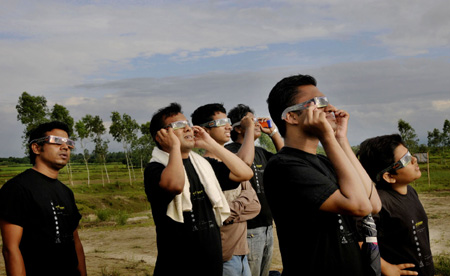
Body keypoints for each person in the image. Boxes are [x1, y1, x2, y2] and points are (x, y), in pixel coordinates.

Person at [264, 74, 381, 275]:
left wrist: (340, 139)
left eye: (327, 102)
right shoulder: (283, 166)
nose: (331, 109)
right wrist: (327, 137)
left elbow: (373, 204)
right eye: (318, 103)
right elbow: (360, 207)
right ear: (291, 116)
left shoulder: (325, 161)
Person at [144, 103, 253, 276]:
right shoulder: (155, 169)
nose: (188, 128)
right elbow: (175, 186)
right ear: (161, 135)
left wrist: (210, 144)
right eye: (179, 126)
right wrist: (174, 148)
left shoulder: (203, 165)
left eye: (187, 124)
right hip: (178, 267)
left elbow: (244, 173)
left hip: (212, 264)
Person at [0, 121, 87, 276]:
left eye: (69, 143)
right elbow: (10, 249)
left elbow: (76, 241)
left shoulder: (66, 192)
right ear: (36, 148)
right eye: (56, 141)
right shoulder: (17, 188)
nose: (65, 147)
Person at [191, 103, 261, 276]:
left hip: (241, 250)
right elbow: (220, 216)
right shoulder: (204, 167)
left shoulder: (230, 163)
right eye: (221, 122)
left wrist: (231, 212)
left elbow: (255, 206)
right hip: (224, 252)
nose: (229, 126)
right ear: (204, 130)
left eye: (228, 121)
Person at [358, 134, 435, 276]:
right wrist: (386, 268)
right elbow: (359, 242)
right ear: (389, 176)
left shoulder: (411, 192)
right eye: (405, 159)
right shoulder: (378, 202)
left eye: (410, 154)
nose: (414, 159)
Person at [225, 104, 283, 276]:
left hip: (266, 226)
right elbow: (243, 165)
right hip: (247, 229)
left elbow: (286, 158)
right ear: (238, 128)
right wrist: (251, 128)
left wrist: (273, 133)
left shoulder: (260, 152)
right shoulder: (230, 151)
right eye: (252, 120)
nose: (256, 124)